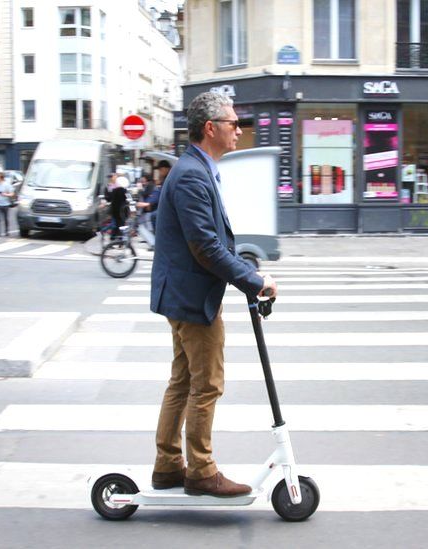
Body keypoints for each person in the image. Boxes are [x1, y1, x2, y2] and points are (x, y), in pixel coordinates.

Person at [149, 91, 277, 497]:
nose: (239, 130)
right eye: (233, 124)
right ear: (211, 128)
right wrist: (253, 281)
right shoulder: (190, 174)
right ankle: (200, 470)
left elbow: (211, 241)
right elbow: (204, 247)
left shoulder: (197, 170)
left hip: (185, 293)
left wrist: (245, 271)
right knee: (206, 384)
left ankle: (168, 465)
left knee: (183, 382)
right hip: (191, 297)